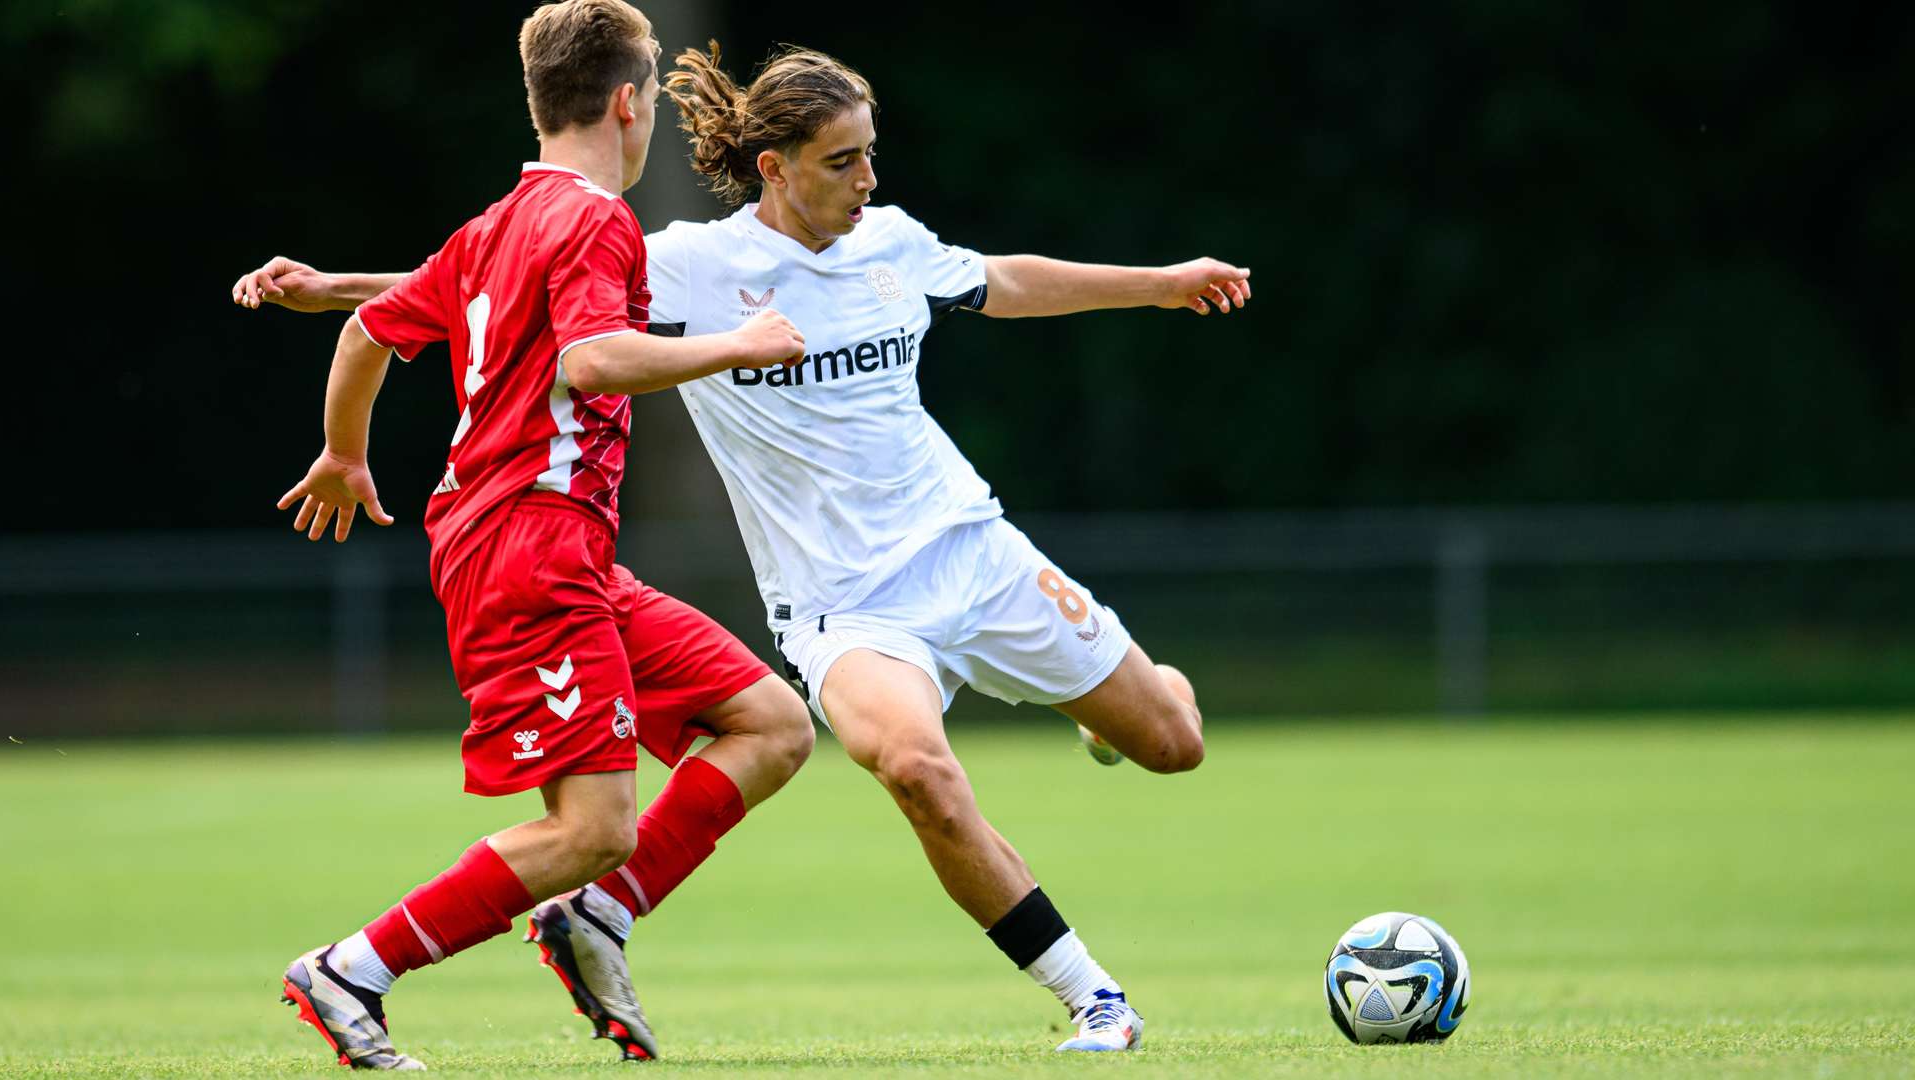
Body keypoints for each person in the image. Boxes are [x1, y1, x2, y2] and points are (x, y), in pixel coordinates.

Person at [235, 43, 1249, 1055]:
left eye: (871, 155)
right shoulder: (691, 265)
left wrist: (1158, 283)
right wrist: (334, 291)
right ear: (776, 165)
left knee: (1173, 743)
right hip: (845, 609)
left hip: (972, 549)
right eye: (843, 160)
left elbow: (1001, 282)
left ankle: (1117, 708)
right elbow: (504, 285)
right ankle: (1097, 999)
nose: (868, 180)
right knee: (916, 772)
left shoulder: (890, 240)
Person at [237, 3, 815, 1068]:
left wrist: (346, 452)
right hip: (527, 545)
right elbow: (592, 361)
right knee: (592, 826)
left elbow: (374, 328)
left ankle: (596, 917)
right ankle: (350, 969)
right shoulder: (595, 221)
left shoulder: (504, 221)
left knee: (770, 724)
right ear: (630, 104)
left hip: (560, 549)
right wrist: (741, 345)